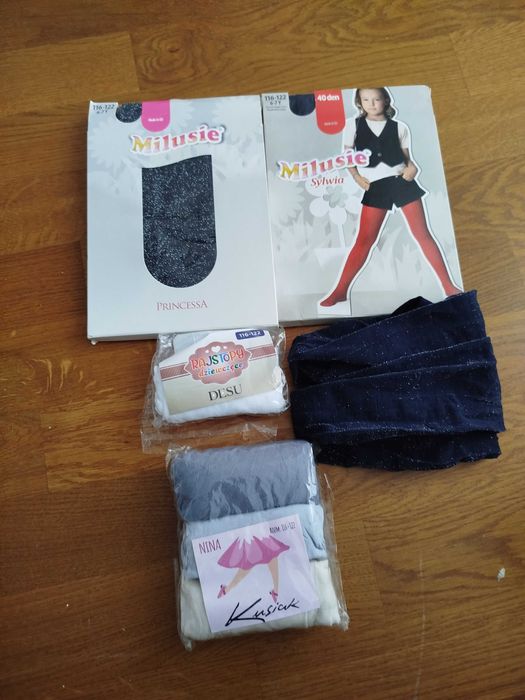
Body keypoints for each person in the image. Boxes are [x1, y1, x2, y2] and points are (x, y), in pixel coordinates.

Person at [320, 87, 461, 307]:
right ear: (359, 102)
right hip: (375, 186)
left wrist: (412, 168)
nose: (371, 103)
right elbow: (347, 158)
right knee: (364, 240)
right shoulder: (352, 126)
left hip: (402, 182)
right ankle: (340, 291)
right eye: (366, 99)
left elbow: (407, 159)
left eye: (376, 99)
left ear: (386, 100)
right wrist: (357, 178)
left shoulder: (399, 127)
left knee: (423, 234)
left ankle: (448, 286)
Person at [216, 534, 289, 603]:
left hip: (253, 534)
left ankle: (225, 590)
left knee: (255, 559)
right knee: (269, 554)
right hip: (257, 533)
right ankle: (276, 592)